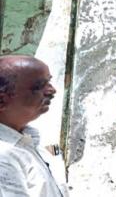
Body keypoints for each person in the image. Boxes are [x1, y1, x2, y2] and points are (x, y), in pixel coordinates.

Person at [0, 55, 67, 196]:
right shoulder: (3, 157)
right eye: (39, 86)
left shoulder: (33, 137)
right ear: (2, 100)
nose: (52, 90)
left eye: (49, 82)